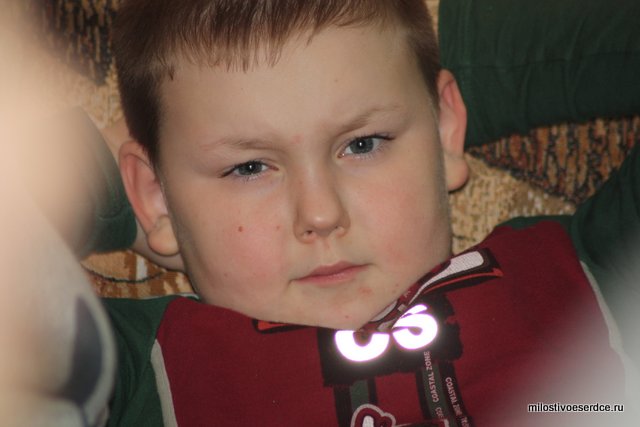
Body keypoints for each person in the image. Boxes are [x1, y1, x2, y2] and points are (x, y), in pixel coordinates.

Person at [3, 0, 637, 425]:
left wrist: (418, 61)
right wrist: (117, 186)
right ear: (154, 194)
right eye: (249, 167)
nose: (321, 214)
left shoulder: (588, 279)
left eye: (363, 143)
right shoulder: (141, 375)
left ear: (446, 128)